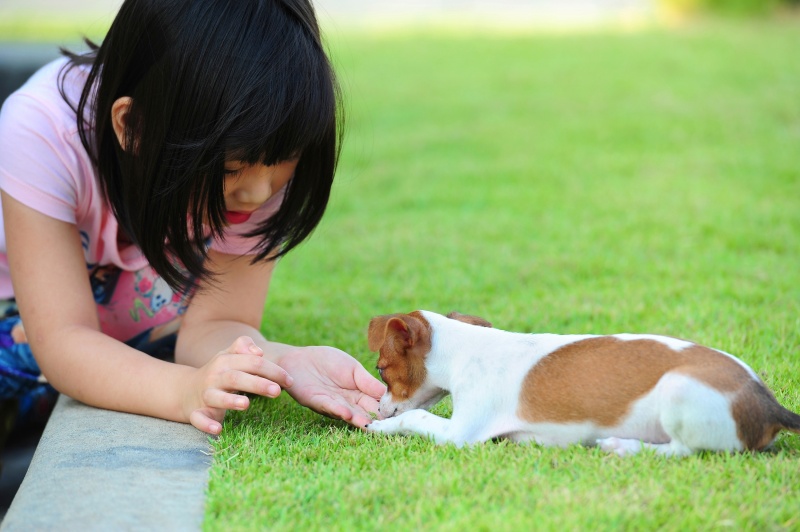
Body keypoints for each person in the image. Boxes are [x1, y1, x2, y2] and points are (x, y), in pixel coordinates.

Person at [0, 0, 385, 440]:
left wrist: (282, 360)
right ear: (133, 127)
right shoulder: (41, 132)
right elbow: (63, 339)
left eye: (283, 160)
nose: (259, 193)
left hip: (140, 326)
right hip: (23, 324)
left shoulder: (264, 144)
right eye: (228, 169)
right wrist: (184, 390)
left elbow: (214, 325)